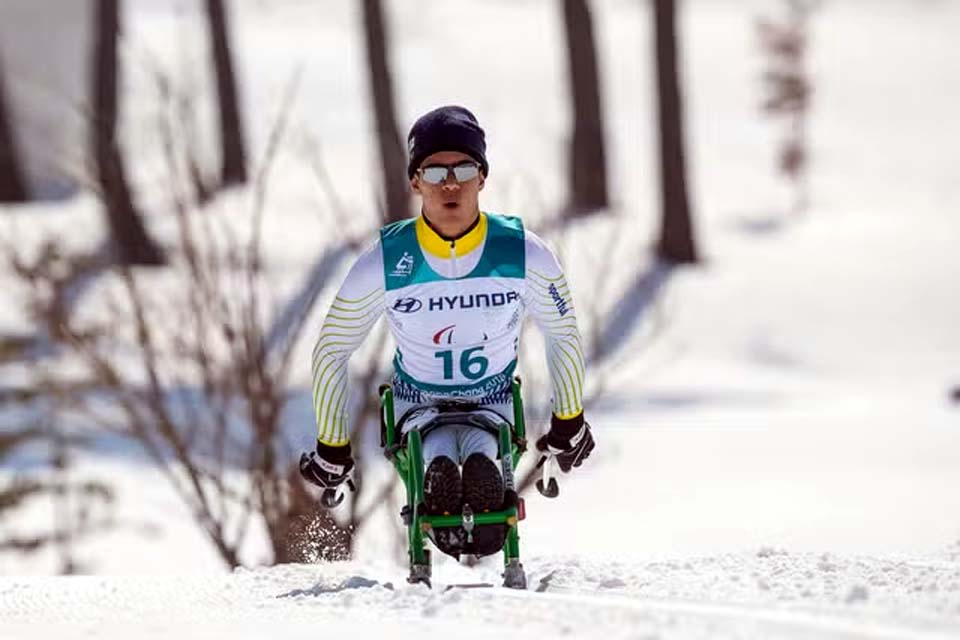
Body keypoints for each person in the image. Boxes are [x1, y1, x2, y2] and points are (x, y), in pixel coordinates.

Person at [300, 105, 594, 557]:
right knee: (434, 458)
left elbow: (564, 332)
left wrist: (569, 418)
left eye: (463, 168)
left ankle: (481, 480)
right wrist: (332, 445)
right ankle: (445, 476)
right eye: (435, 172)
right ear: (416, 182)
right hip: (418, 403)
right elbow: (331, 349)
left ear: (482, 177)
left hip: (494, 400)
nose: (450, 184)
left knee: (484, 474)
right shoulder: (386, 258)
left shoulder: (521, 251)